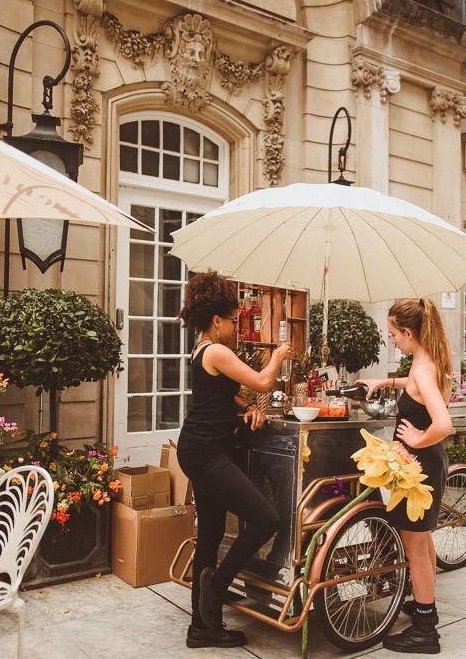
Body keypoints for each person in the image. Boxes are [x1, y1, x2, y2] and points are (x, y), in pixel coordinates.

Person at [176, 270, 293, 649]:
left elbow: (221, 396)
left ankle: (202, 626)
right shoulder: (217, 350)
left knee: (209, 535)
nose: (234, 327)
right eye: (231, 320)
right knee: (265, 519)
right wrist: (276, 357)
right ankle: (218, 587)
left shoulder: (201, 349)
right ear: (216, 320)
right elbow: (262, 382)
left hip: (201, 448)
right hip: (207, 453)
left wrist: (245, 409)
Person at [359, 297, 453, 655]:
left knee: (414, 546)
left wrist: (417, 438)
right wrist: (385, 381)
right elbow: (415, 384)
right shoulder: (431, 358)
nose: (393, 341)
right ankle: (424, 605)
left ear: (410, 332)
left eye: (394, 335)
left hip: (421, 468)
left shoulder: (424, 369)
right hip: (426, 465)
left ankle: (425, 631)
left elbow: (443, 423)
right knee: (423, 540)